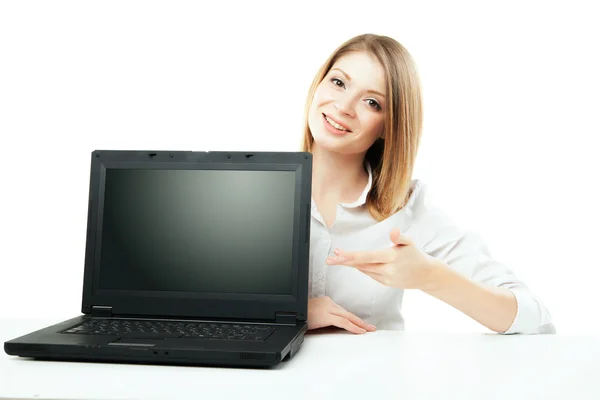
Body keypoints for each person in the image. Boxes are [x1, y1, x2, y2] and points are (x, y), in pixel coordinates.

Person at [301, 33, 555, 335]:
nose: (344, 106)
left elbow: (535, 321)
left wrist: (430, 276)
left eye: (372, 102)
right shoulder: (256, 190)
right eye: (339, 82)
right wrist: (295, 313)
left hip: (372, 379)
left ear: (389, 124)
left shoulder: (408, 211)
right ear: (318, 84)